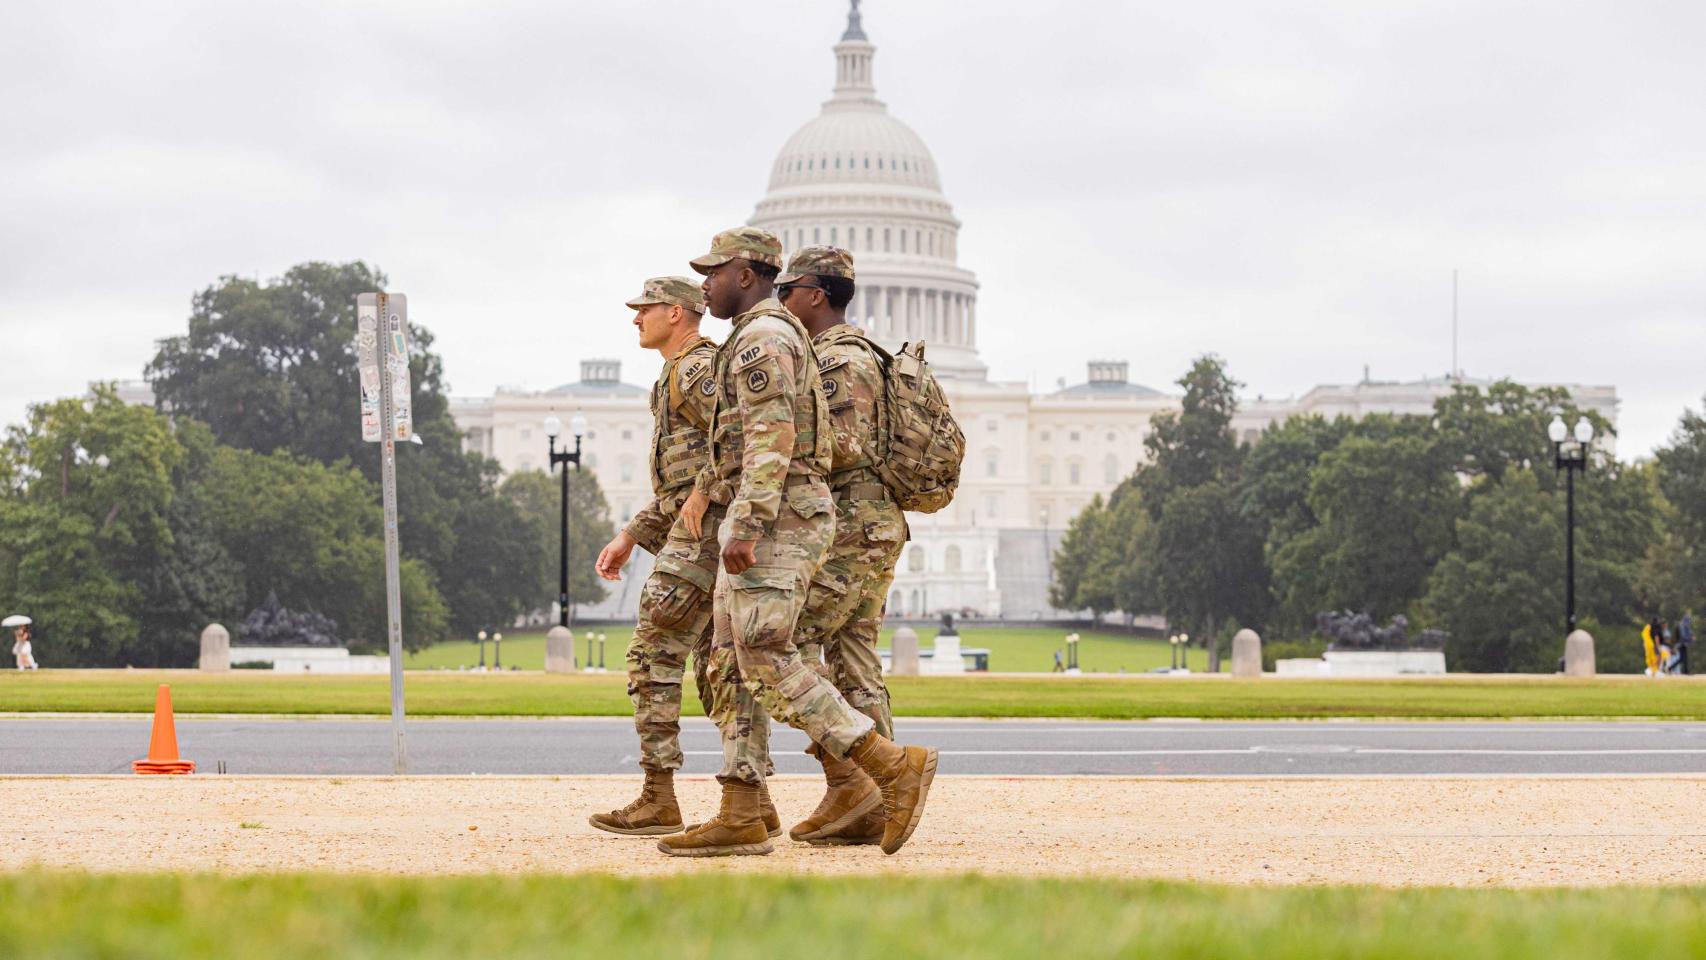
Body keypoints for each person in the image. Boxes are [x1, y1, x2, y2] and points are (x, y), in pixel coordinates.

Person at [660, 227, 936, 858]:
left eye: (716, 271)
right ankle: (745, 806)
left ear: (750, 276)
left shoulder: (761, 338)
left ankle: (885, 769)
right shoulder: (774, 338)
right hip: (792, 512)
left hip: (782, 516)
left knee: (765, 652)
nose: (705, 283)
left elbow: (772, 434)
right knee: (739, 655)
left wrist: (749, 521)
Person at [587, 276, 778, 837]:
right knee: (720, 665)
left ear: (676, 312)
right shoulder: (677, 372)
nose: (635, 319)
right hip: (704, 529)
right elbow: (682, 476)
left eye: (643, 309)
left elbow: (745, 434)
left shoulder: (696, 370)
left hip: (706, 533)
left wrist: (704, 492)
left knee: (653, 653)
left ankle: (659, 795)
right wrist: (631, 533)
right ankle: (754, 799)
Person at [775, 246, 907, 846]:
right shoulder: (860, 353)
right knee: (854, 661)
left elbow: (845, 446)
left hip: (850, 526)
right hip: (872, 524)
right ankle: (874, 799)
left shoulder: (837, 359)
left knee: (781, 648)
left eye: (788, 290)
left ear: (817, 295)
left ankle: (857, 781)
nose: (781, 302)